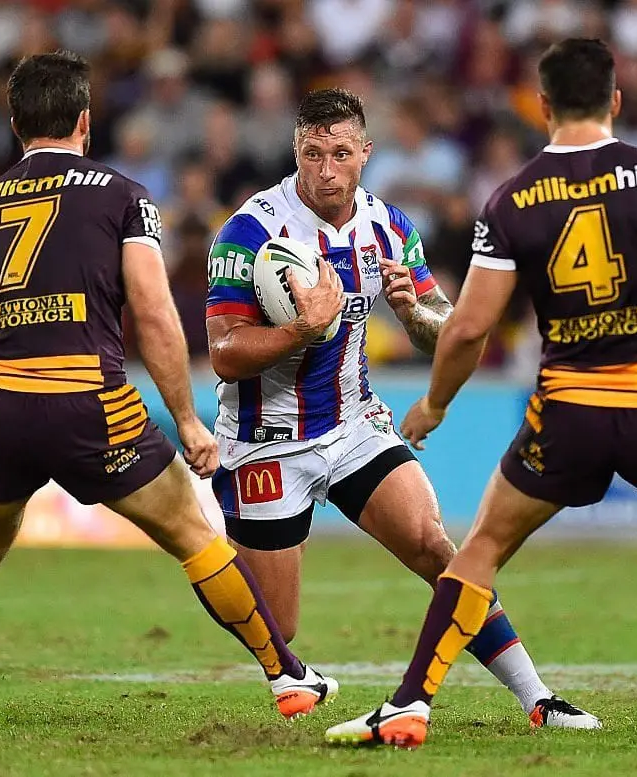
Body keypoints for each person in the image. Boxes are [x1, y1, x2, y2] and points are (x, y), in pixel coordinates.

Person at [326, 38, 637, 753]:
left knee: (482, 546)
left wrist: (435, 403)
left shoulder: (513, 198)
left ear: (543, 104)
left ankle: (409, 703)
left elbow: (469, 326)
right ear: (615, 99)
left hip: (566, 411)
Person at [0, 51, 336, 737]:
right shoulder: (122, 195)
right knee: (192, 533)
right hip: (90, 402)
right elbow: (154, 313)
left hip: (2, 404)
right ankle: (287, 675)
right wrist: (187, 419)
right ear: (85, 120)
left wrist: (1, 359)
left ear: (15, 123)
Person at [205, 88, 599, 730]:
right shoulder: (248, 232)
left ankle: (538, 699)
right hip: (265, 437)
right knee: (277, 624)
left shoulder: (388, 227)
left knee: (435, 547)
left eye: (340, 153)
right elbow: (224, 353)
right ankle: (277, 651)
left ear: (366, 152)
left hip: (353, 424)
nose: (326, 170)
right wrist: (302, 331)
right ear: (295, 152)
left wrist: (414, 313)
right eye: (312, 154)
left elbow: (445, 328)